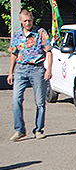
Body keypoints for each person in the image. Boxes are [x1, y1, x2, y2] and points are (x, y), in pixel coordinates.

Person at [7, 9, 53, 141]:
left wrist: (48, 70)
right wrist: (11, 72)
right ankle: (19, 129)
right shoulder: (17, 35)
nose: (28, 23)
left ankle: (38, 129)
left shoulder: (40, 32)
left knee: (40, 101)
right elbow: (14, 54)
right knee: (16, 99)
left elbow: (49, 52)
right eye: (25, 21)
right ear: (21, 21)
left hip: (37, 68)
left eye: (30, 21)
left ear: (33, 20)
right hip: (21, 69)